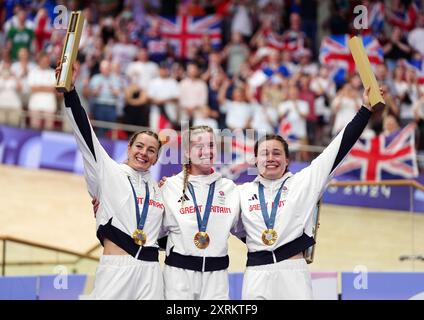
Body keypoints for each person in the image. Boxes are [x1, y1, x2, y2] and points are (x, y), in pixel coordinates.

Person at [238, 87, 382, 299]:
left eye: (277, 153)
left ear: (287, 160)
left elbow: (337, 149)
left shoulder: (304, 182)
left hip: (293, 272)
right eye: (264, 153)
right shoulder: (240, 192)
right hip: (256, 273)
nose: (270, 158)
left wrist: (365, 111)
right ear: (255, 160)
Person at [56, 62, 164, 300]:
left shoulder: (159, 191)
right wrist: (71, 92)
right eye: (139, 146)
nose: (144, 153)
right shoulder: (108, 170)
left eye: (151, 150)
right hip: (117, 269)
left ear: (156, 158)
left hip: (151, 271)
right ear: (128, 147)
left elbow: (167, 235)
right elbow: (85, 134)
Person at [160, 125, 243, 300]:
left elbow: (249, 228)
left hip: (217, 277)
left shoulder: (230, 189)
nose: (207, 151)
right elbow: (154, 229)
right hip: (178, 275)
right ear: (188, 153)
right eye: (199, 146)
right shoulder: (170, 187)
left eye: (211, 145)